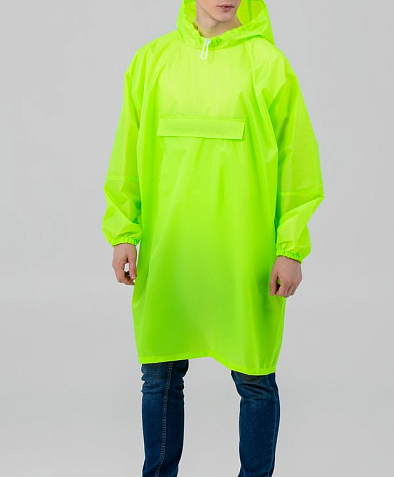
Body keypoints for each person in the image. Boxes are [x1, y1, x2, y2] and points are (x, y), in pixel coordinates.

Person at [101, 0, 324, 475]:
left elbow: (297, 165)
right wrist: (123, 232)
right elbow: (127, 155)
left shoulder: (268, 64)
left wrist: (290, 248)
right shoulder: (152, 61)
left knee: (255, 378)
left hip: (245, 250)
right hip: (171, 247)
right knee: (159, 376)